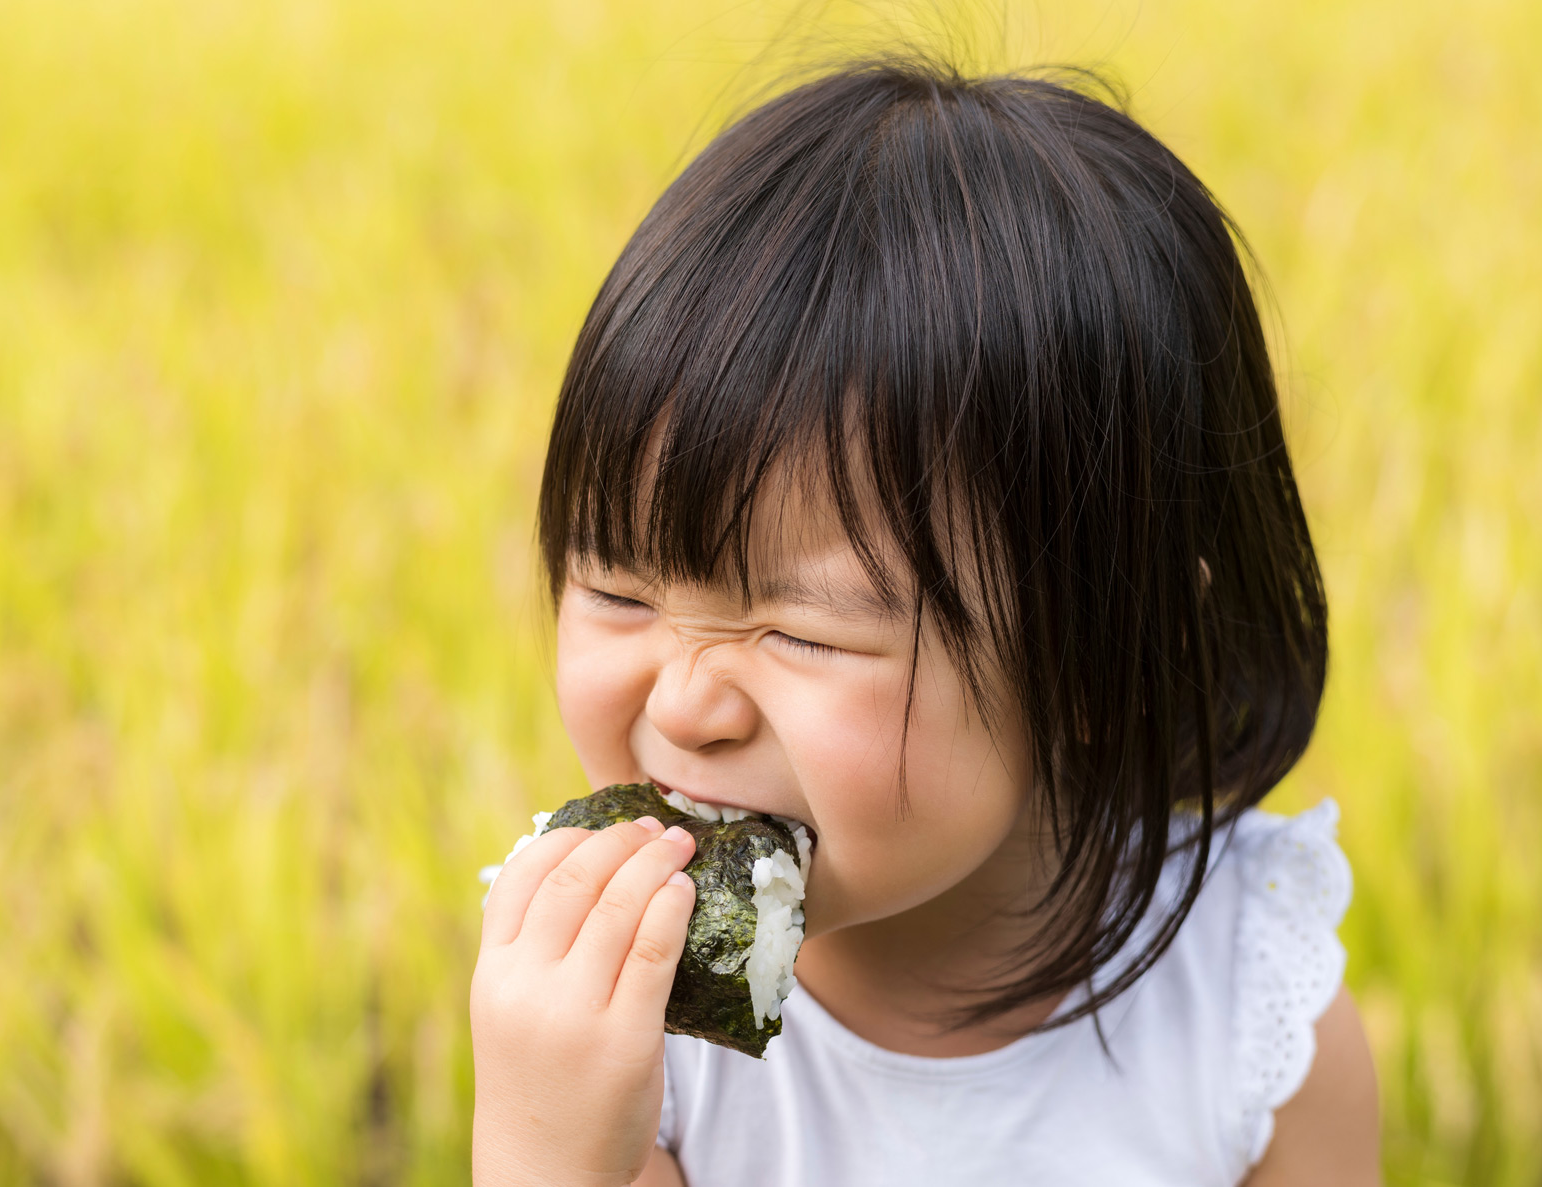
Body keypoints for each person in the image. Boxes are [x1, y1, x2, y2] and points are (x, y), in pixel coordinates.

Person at [470, 56, 1380, 1187]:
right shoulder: (611, 1023)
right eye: (619, 591)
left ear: (1102, 653)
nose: (685, 701)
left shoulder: (1243, 1004)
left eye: (803, 632)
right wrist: (547, 1150)